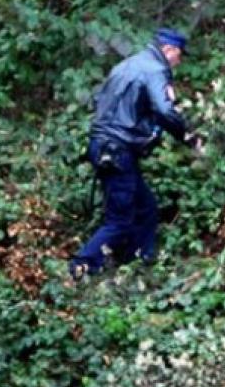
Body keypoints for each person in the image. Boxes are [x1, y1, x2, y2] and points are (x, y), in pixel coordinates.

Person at [70, 29, 203, 280]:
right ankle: (81, 267)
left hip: (103, 146)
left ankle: (136, 263)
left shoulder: (127, 64)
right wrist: (189, 137)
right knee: (119, 219)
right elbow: (165, 111)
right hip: (118, 150)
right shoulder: (155, 70)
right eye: (179, 55)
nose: (179, 62)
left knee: (145, 208)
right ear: (168, 50)